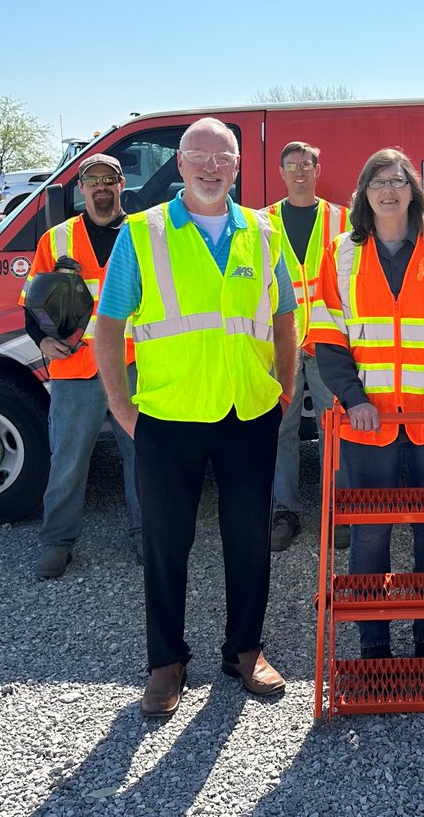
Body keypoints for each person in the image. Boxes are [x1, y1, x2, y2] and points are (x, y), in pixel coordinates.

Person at [94, 118, 298, 717]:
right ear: (178, 164)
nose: (213, 167)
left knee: (250, 539)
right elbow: (109, 324)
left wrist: (283, 391)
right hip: (168, 415)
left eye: (225, 158)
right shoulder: (142, 233)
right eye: (200, 156)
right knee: (165, 544)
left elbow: (285, 318)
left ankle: (245, 650)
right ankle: (166, 663)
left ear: (237, 167)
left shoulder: (263, 231)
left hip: (248, 411)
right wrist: (118, 403)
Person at [307, 148, 424, 660]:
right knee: (370, 533)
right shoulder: (339, 253)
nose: (388, 191)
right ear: (363, 194)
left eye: (398, 181)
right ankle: (374, 645)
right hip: (370, 420)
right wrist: (353, 398)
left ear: (414, 191)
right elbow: (328, 338)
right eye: (377, 182)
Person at [19, 153, 141, 579]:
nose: (101, 187)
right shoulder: (57, 239)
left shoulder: (146, 235)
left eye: (110, 179)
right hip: (77, 369)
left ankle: (146, 535)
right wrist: (42, 340)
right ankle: (58, 541)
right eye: (93, 181)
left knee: (142, 457)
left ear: (122, 184)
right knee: (68, 460)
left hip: (133, 367)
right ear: (82, 189)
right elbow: (32, 303)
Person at [262, 142, 352, 552]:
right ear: (280, 172)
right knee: (280, 427)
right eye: (292, 165)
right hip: (279, 342)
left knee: (334, 428)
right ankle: (286, 511)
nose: (299, 172)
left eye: (306, 165)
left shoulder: (344, 220)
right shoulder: (261, 223)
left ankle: (340, 510)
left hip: (330, 341)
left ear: (318, 168)